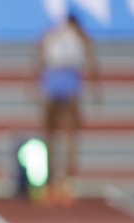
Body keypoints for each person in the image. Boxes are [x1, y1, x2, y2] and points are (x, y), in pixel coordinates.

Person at [35, 12, 100, 204]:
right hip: (70, 79)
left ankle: (50, 181)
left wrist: (34, 83)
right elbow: (91, 62)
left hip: (52, 79)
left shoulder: (51, 33)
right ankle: (68, 181)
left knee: (49, 134)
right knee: (71, 134)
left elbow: (39, 58)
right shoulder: (81, 36)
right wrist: (96, 86)